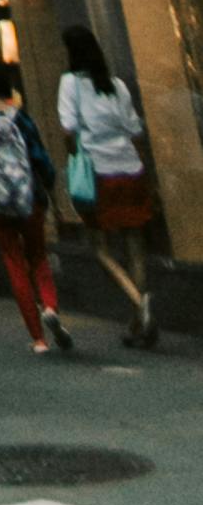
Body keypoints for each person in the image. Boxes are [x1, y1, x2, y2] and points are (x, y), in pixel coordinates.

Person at [0, 51, 74, 354]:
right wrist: (51, 191)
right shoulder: (21, 117)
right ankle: (50, 307)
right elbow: (40, 159)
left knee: (13, 261)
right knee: (38, 255)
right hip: (29, 197)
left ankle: (38, 338)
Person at [56, 23, 156, 347]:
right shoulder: (116, 85)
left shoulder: (70, 83)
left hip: (99, 172)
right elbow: (135, 129)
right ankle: (138, 325)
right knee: (135, 247)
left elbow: (69, 129)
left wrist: (73, 160)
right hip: (131, 169)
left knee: (99, 248)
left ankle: (142, 306)